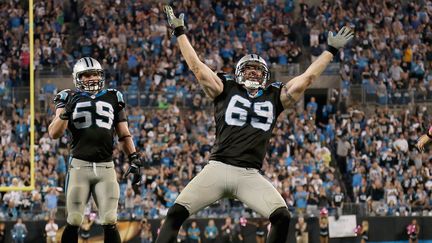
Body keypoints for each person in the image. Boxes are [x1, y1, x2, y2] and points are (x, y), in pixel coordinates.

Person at [156, 5, 354, 243]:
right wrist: (180, 33)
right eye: (248, 69)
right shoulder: (225, 87)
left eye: (257, 71)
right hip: (217, 168)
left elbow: (307, 79)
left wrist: (330, 51)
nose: (253, 74)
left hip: (249, 174)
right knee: (176, 213)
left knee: (281, 216)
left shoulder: (274, 95)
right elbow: (197, 68)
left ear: (265, 75)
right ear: (239, 72)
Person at [48, 57, 144, 243]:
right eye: (86, 75)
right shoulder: (67, 96)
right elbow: (54, 133)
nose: (91, 78)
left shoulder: (113, 96)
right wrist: (66, 112)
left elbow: (123, 133)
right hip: (79, 166)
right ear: (78, 78)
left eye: (94, 74)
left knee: (110, 219)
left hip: (106, 167)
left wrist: (133, 157)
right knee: (74, 219)